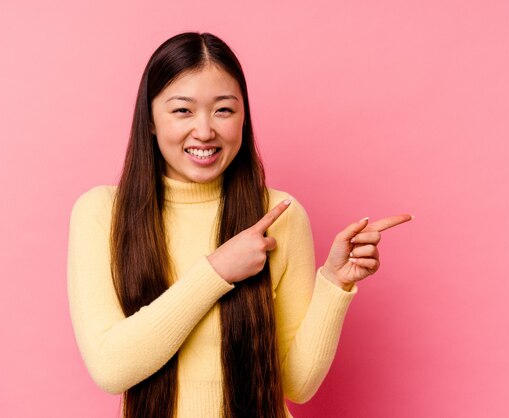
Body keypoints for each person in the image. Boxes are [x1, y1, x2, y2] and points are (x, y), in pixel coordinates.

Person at [67, 31, 412, 418]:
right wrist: (216, 271)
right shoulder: (101, 213)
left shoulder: (279, 213)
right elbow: (111, 368)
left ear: (243, 117)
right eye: (182, 110)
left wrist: (334, 282)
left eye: (223, 110)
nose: (204, 131)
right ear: (149, 119)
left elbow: (298, 384)